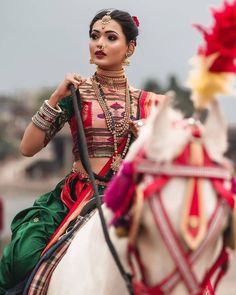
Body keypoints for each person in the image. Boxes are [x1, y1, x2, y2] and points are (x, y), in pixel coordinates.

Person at [0, 9, 164, 293]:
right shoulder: (73, 93)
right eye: (94, 36)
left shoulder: (153, 104)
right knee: (21, 257)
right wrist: (54, 99)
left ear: (130, 47)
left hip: (131, 198)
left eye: (110, 37)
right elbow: (27, 149)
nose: (100, 43)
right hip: (79, 197)